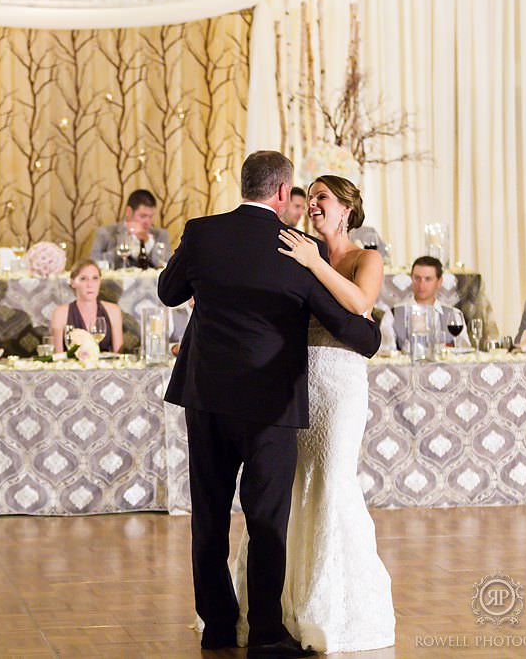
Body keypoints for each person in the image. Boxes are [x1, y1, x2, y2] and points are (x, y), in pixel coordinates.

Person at [158, 151, 380, 658]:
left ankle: (217, 625)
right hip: (270, 405)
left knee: (209, 514)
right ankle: (265, 634)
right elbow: (346, 324)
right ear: (283, 193)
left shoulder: (201, 232)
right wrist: (369, 336)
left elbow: (169, 292)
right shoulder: (295, 248)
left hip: (207, 396)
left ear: (245, 185)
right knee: (266, 518)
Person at [274, 175, 396, 653]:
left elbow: (360, 303)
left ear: (346, 208)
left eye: (322, 197)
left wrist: (314, 263)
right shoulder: (297, 249)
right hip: (297, 376)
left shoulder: (366, 258)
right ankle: (288, 602)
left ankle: (336, 607)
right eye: (311, 197)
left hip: (341, 381)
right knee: (296, 481)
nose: (313, 205)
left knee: (333, 478)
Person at [386, 256, 472, 351]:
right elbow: (384, 352)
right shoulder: (393, 314)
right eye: (417, 278)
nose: (421, 284)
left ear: (439, 282)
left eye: (428, 279)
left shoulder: (454, 315)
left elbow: (465, 351)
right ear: (411, 279)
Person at [49, 259, 123, 353]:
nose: (90, 284)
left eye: (95, 278)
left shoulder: (113, 311)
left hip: (105, 366)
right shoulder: (60, 313)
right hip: (71, 367)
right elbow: (57, 357)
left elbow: (119, 355)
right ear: (73, 282)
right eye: (83, 279)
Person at [90, 189, 171, 269]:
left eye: (150, 217)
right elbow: (94, 263)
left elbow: (167, 266)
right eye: (143, 216)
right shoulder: (105, 233)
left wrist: (148, 242)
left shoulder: (160, 235)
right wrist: (124, 247)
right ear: (129, 212)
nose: (148, 222)